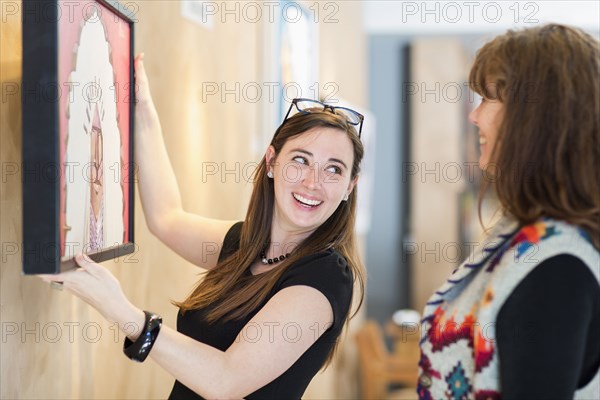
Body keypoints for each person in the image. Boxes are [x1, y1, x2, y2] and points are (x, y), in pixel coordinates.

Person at [42, 54, 366, 399]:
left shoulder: (325, 276)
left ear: (349, 186)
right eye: (300, 160)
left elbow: (225, 380)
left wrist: (121, 311)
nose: (313, 182)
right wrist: (144, 113)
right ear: (271, 162)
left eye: (334, 170)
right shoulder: (244, 244)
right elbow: (166, 218)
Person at [417, 24, 600, 399]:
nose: (475, 116)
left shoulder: (557, 266)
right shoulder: (531, 238)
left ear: (535, 119)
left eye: (488, 99)